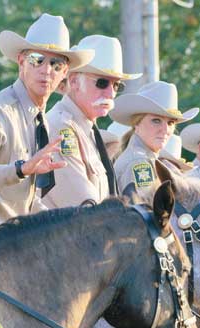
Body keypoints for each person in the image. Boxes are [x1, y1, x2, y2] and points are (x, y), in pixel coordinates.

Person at [0, 14, 92, 238]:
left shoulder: (36, 115)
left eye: (56, 64)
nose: (46, 70)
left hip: (4, 243)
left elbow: (22, 200)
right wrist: (20, 169)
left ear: (65, 72)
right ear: (21, 61)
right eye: (37, 60)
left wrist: (63, 225)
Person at [41, 35, 139, 209]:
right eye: (102, 83)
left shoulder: (86, 129)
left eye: (116, 86)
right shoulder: (61, 127)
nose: (110, 93)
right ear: (74, 81)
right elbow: (84, 206)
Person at [110, 80, 198, 201]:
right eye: (156, 120)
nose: (165, 129)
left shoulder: (144, 158)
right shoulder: (139, 163)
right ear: (137, 123)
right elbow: (146, 213)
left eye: (170, 123)